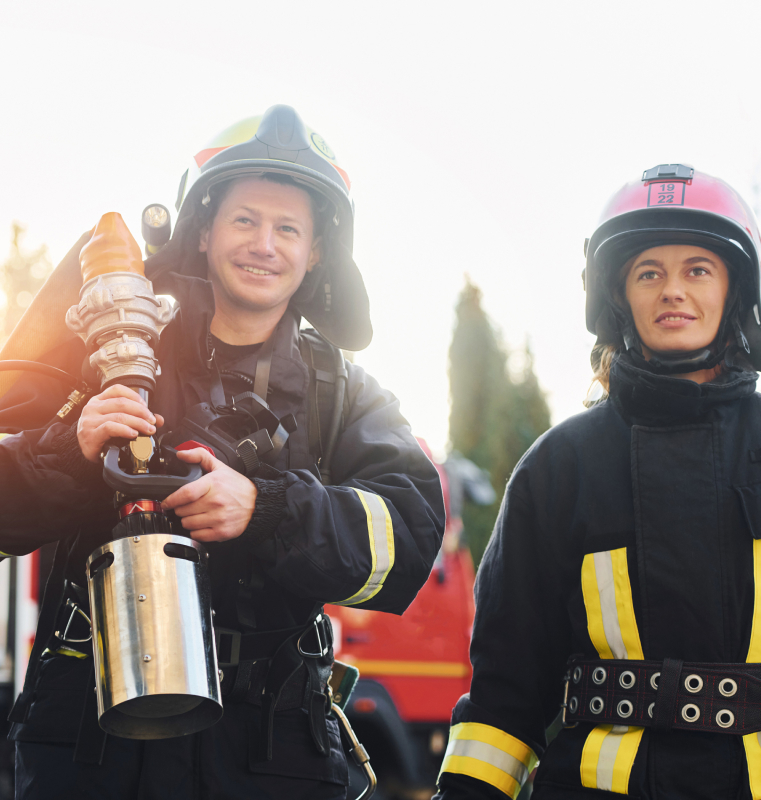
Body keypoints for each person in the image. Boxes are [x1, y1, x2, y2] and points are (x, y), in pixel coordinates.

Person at [0, 104, 445, 799]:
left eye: (287, 228)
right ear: (203, 231)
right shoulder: (103, 354)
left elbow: (409, 541)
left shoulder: (343, 395)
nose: (264, 244)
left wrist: (267, 508)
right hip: (88, 742)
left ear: (316, 252)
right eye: (244, 220)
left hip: (270, 749)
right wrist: (70, 449)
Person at [435, 164, 761, 800]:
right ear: (618, 298)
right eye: (648, 273)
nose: (672, 290)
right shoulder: (558, 468)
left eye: (698, 269)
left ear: (740, 290)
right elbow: (507, 688)